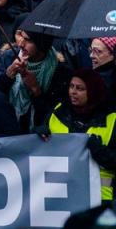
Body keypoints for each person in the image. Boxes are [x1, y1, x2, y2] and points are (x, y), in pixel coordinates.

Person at [39, 70, 116, 201]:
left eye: (80, 88)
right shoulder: (58, 112)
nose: (73, 92)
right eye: (71, 86)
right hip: (59, 194)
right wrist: (38, 134)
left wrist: (100, 152)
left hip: (99, 198)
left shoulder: (112, 119)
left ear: (93, 92)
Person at [0, 29, 72, 132]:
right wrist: (8, 74)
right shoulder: (9, 57)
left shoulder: (60, 71)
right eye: (21, 37)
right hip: (7, 131)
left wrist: (36, 89)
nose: (21, 44)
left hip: (38, 136)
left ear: (41, 44)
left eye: (28, 40)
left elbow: (55, 114)